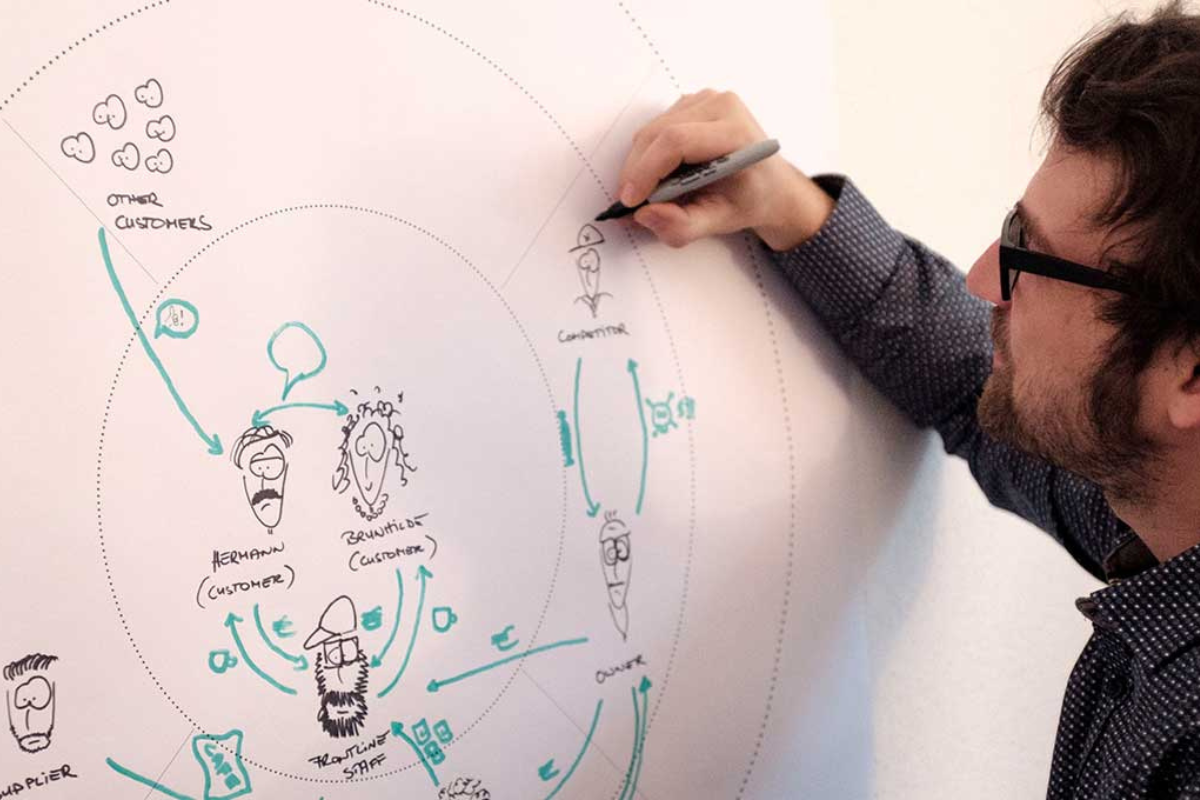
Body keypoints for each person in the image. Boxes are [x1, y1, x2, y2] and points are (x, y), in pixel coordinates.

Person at [613, 3, 1200, 796]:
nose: (985, 281)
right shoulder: (1162, 511)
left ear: (1189, 374)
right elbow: (974, 383)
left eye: (1034, 257)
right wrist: (788, 206)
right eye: (1008, 232)